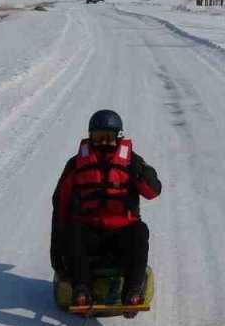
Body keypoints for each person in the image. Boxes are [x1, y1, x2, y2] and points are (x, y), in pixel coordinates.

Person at [51, 109, 162, 307]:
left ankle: (133, 291)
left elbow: (153, 192)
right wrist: (56, 248)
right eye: (98, 137)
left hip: (122, 233)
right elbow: (60, 203)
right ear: (90, 136)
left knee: (139, 231)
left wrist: (140, 175)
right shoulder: (76, 164)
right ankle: (82, 290)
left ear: (118, 137)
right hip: (90, 233)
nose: (103, 142)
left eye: (108, 137)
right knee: (73, 231)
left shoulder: (132, 162)